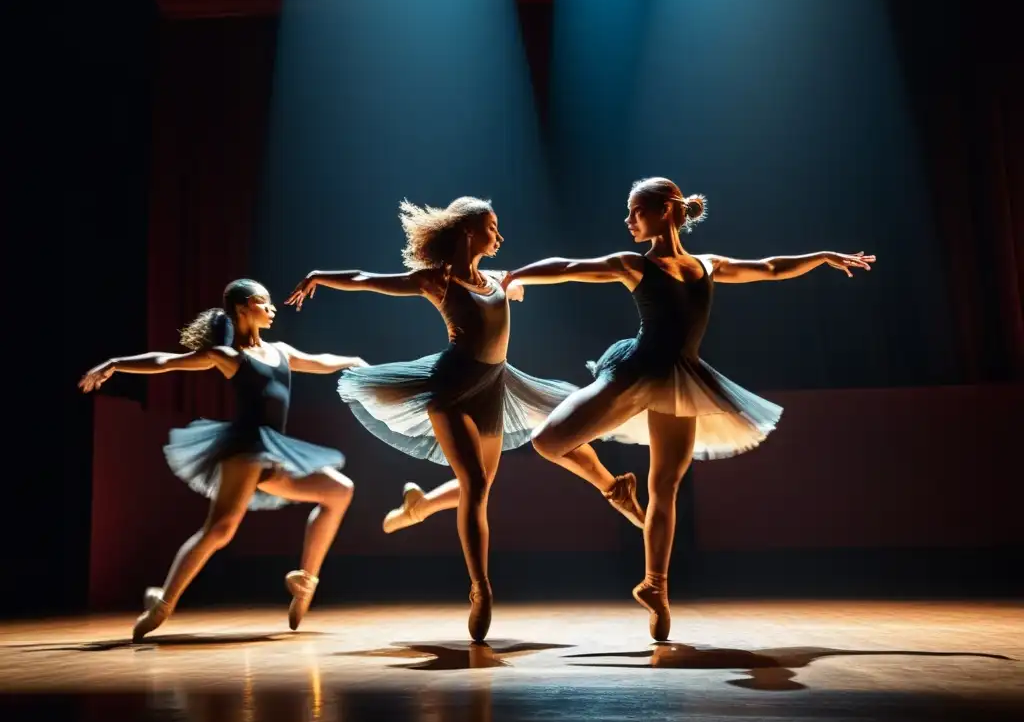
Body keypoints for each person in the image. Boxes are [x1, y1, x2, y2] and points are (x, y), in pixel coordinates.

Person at [500, 177, 875, 640]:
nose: (628, 220)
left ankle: (656, 586)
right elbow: (570, 267)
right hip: (633, 373)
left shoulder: (707, 265)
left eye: (635, 210)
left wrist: (821, 256)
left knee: (666, 487)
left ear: (664, 211)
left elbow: (772, 268)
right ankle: (614, 489)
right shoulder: (634, 264)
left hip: (680, 381)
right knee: (549, 441)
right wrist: (517, 274)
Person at [286, 197, 645, 641]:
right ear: (469, 232)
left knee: (482, 482)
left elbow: (530, 281)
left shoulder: (496, 277)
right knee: (475, 485)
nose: (500, 236)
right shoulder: (436, 281)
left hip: (494, 390)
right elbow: (366, 280)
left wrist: (521, 284)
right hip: (451, 390)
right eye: (493, 227)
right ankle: (481, 589)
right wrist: (321, 276)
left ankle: (419, 507)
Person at [79, 278, 366, 641]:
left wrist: (350, 361)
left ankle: (304, 581)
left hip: (274, 453)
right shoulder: (230, 357)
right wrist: (116, 364)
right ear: (244, 308)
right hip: (245, 451)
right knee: (220, 529)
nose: (272, 308)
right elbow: (167, 362)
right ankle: (163, 604)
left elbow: (318, 362)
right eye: (264, 302)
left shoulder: (280, 351)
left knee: (339, 491)